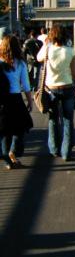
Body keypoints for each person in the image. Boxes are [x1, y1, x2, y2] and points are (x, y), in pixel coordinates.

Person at [37, 25, 75, 161]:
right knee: (68, 121)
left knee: (53, 119)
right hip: (68, 88)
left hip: (51, 89)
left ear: (52, 36)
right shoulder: (70, 51)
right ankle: (66, 152)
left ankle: (54, 149)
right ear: (65, 36)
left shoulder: (48, 50)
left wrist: (46, 44)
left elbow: (38, 58)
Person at [0, 36, 34, 170]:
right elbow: (26, 85)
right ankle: (13, 151)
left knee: (4, 131)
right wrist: (30, 101)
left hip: (2, 100)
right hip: (15, 98)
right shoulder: (20, 63)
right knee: (20, 127)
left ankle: (7, 161)